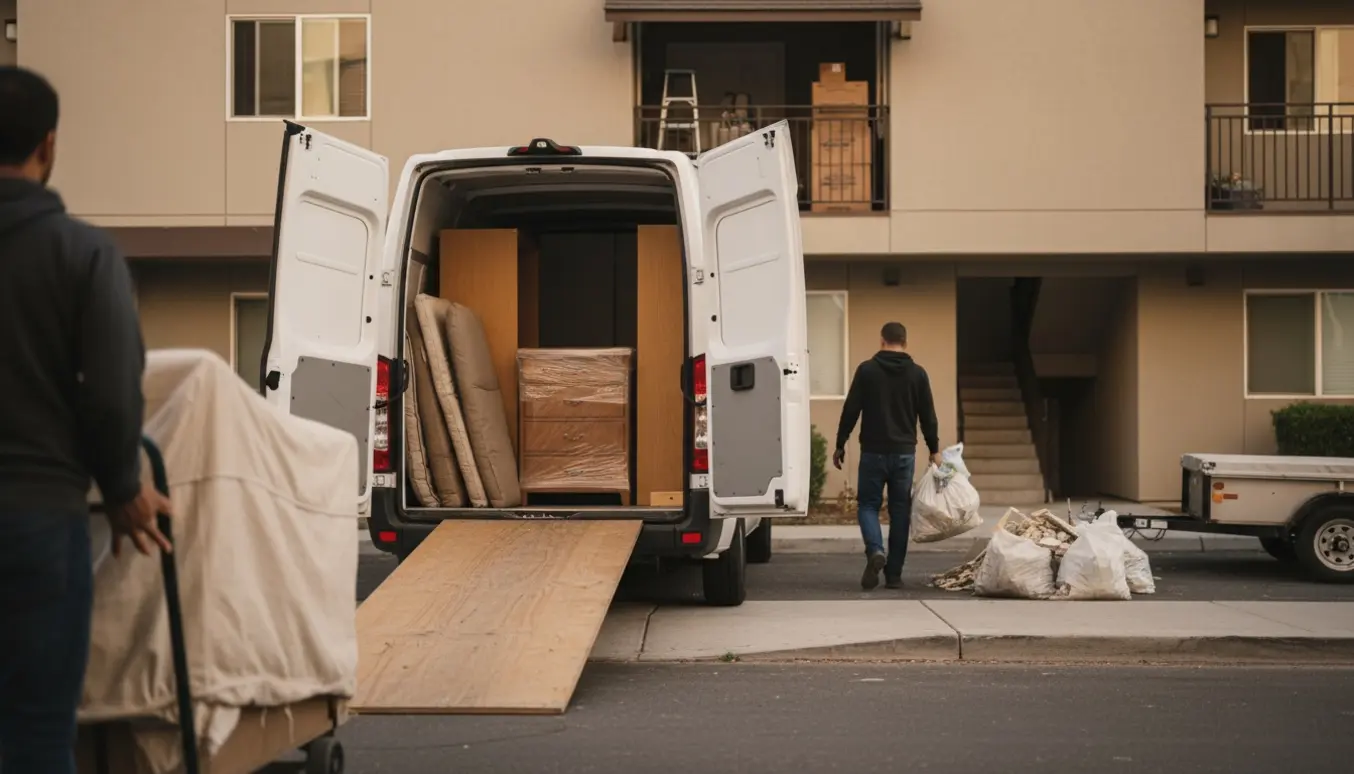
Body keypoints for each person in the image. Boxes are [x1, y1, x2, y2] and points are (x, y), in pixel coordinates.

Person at [0, 65, 173, 773]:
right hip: (37, 521)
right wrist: (123, 482)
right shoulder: (83, 254)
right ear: (48, 145)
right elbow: (109, 392)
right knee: (39, 735)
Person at [833, 322, 940, 591]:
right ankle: (894, 575)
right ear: (905, 341)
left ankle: (875, 551)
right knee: (900, 512)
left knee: (868, 506)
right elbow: (928, 415)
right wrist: (934, 449)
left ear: (882, 341)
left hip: (873, 452)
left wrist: (840, 443)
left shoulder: (867, 370)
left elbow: (851, 409)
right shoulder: (918, 374)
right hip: (904, 454)